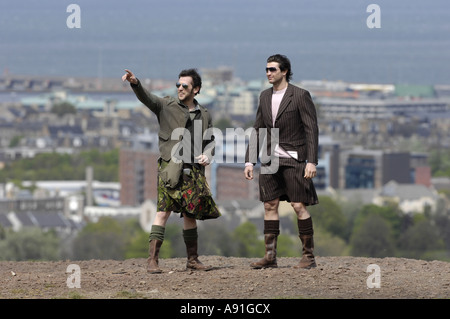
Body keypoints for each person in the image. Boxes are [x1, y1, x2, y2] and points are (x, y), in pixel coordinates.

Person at [122, 68, 221, 273]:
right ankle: (152, 261)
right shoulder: (165, 105)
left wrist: (208, 155)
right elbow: (147, 98)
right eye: (178, 85)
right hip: (170, 169)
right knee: (162, 213)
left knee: (190, 215)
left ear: (196, 89)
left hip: (193, 172)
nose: (180, 88)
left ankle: (192, 260)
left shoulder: (204, 114)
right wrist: (135, 83)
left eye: (185, 85)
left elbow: (210, 142)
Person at [244, 54, 319, 269]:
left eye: (273, 69)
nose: (268, 73)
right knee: (270, 204)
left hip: (295, 158)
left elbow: (311, 129)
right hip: (270, 159)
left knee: (298, 205)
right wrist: (249, 161)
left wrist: (311, 161)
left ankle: (308, 256)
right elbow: (257, 130)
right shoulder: (264, 96)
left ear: (284, 71)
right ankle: (270, 257)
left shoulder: (300, 95)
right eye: (266, 69)